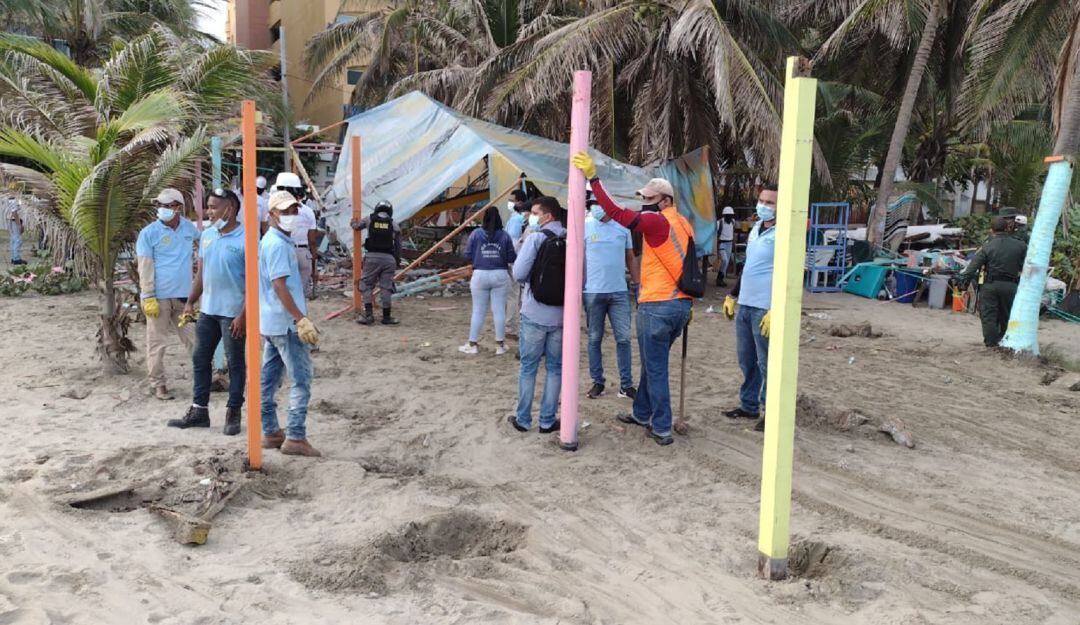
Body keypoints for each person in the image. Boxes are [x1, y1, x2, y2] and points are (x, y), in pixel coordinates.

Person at [572, 153, 693, 446]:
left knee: (656, 367)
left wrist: (594, 178)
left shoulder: (657, 222)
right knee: (653, 362)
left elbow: (615, 212)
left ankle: (661, 426)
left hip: (658, 305)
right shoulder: (683, 223)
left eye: (649, 198)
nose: (644, 202)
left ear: (664, 200)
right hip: (680, 304)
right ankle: (642, 412)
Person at [168, 188, 247, 434]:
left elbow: (256, 283)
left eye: (214, 207)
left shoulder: (247, 238)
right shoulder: (207, 236)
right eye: (208, 207)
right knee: (200, 359)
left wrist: (243, 315)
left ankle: (233, 412)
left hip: (233, 313)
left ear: (230, 208)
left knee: (235, 363)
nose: (209, 212)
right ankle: (199, 411)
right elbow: (202, 273)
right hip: (209, 311)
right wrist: (191, 301)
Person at [259, 190, 322, 457]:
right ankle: (295, 436)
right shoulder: (276, 244)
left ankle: (271, 431)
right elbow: (279, 284)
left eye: (294, 211)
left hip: (272, 322)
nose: (291, 216)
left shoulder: (275, 241)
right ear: (272, 214)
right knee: (301, 380)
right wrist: (300, 318)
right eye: (285, 212)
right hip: (286, 323)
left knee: (269, 379)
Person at [721, 185, 778, 433]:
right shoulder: (756, 228)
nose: (764, 205)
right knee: (747, 360)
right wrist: (733, 295)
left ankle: (770, 411)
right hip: (745, 304)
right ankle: (749, 405)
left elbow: (789, 274)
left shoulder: (784, 234)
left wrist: (776, 308)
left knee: (767, 363)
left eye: (771, 203)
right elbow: (749, 267)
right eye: (762, 200)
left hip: (764, 308)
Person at [509, 196, 566, 434]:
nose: (530, 216)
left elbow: (519, 274)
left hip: (534, 312)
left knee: (528, 367)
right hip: (562, 316)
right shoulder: (573, 238)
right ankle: (546, 420)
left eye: (534, 212)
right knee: (555, 369)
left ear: (548, 216)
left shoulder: (534, 238)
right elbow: (581, 279)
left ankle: (523, 420)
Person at [136, 188, 199, 401]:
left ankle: (203, 379)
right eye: (160, 206)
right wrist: (147, 295)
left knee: (194, 340)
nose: (162, 209)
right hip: (159, 298)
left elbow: (206, 243)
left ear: (178, 208)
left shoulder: (189, 228)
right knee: (156, 342)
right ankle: (158, 384)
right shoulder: (149, 233)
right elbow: (145, 266)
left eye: (167, 206)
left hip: (184, 298)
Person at [583, 196, 638, 400]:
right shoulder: (584, 226)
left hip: (619, 292)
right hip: (592, 291)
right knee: (594, 338)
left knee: (623, 338)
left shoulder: (623, 227)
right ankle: (598, 382)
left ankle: (626, 385)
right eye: (592, 204)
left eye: (600, 204)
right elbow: (577, 258)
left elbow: (630, 257)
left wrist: (637, 284)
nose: (596, 208)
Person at [956, 216, 1027, 347]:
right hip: (1011, 286)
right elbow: (1027, 267)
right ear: (1007, 228)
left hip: (990, 286)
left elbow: (972, 267)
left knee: (989, 316)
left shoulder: (988, 246)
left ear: (991, 230)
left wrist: (963, 282)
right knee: (1007, 315)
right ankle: (1006, 342)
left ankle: (991, 344)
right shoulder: (1021, 245)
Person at [460, 207, 517, 354]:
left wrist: (479, 257)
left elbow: (467, 255)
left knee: (478, 311)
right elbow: (512, 257)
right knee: (499, 311)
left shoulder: (476, 234)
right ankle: (500, 345)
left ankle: (472, 345)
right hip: (500, 274)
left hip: (479, 274)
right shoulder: (504, 236)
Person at [351, 200, 402, 325]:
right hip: (389, 259)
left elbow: (356, 226)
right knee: (386, 287)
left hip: (372, 257)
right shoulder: (394, 224)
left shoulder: (369, 219)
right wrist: (397, 260)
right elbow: (399, 246)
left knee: (366, 285)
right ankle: (386, 317)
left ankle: (369, 316)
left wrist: (353, 222)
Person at [272, 173, 318, 299]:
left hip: (283, 250)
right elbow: (312, 240)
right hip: (303, 251)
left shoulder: (274, 210)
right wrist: (314, 266)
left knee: (283, 287)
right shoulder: (308, 211)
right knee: (301, 290)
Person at [716, 206, 735, 287]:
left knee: (726, 263)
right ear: (724, 215)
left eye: (731, 215)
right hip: (722, 243)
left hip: (729, 243)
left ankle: (721, 279)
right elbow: (715, 234)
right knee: (725, 260)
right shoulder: (719, 223)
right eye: (728, 215)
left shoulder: (733, 222)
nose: (729, 217)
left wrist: (734, 243)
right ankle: (719, 278)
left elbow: (732, 233)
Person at [5, 194, 25, 266]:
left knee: (13, 240)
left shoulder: (9, 200)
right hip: (15, 222)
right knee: (17, 240)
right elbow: (15, 213)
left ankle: (14, 258)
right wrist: (19, 224)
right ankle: (17, 259)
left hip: (11, 222)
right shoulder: (14, 201)